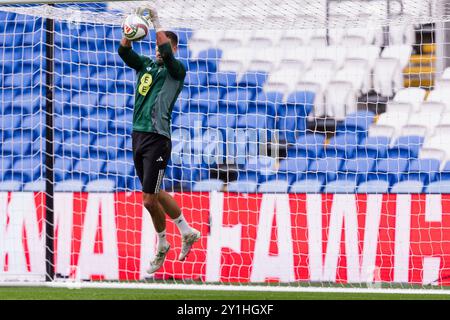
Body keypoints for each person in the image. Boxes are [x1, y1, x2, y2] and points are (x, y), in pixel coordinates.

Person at [118, 6, 200, 274]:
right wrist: (129, 29)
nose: (156, 49)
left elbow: (164, 49)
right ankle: (186, 231)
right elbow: (124, 52)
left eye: (160, 45)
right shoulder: (146, 65)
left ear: (173, 48)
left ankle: (162, 244)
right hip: (138, 135)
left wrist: (155, 20)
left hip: (158, 138)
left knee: (149, 200)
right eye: (154, 46)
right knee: (155, 193)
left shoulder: (176, 70)